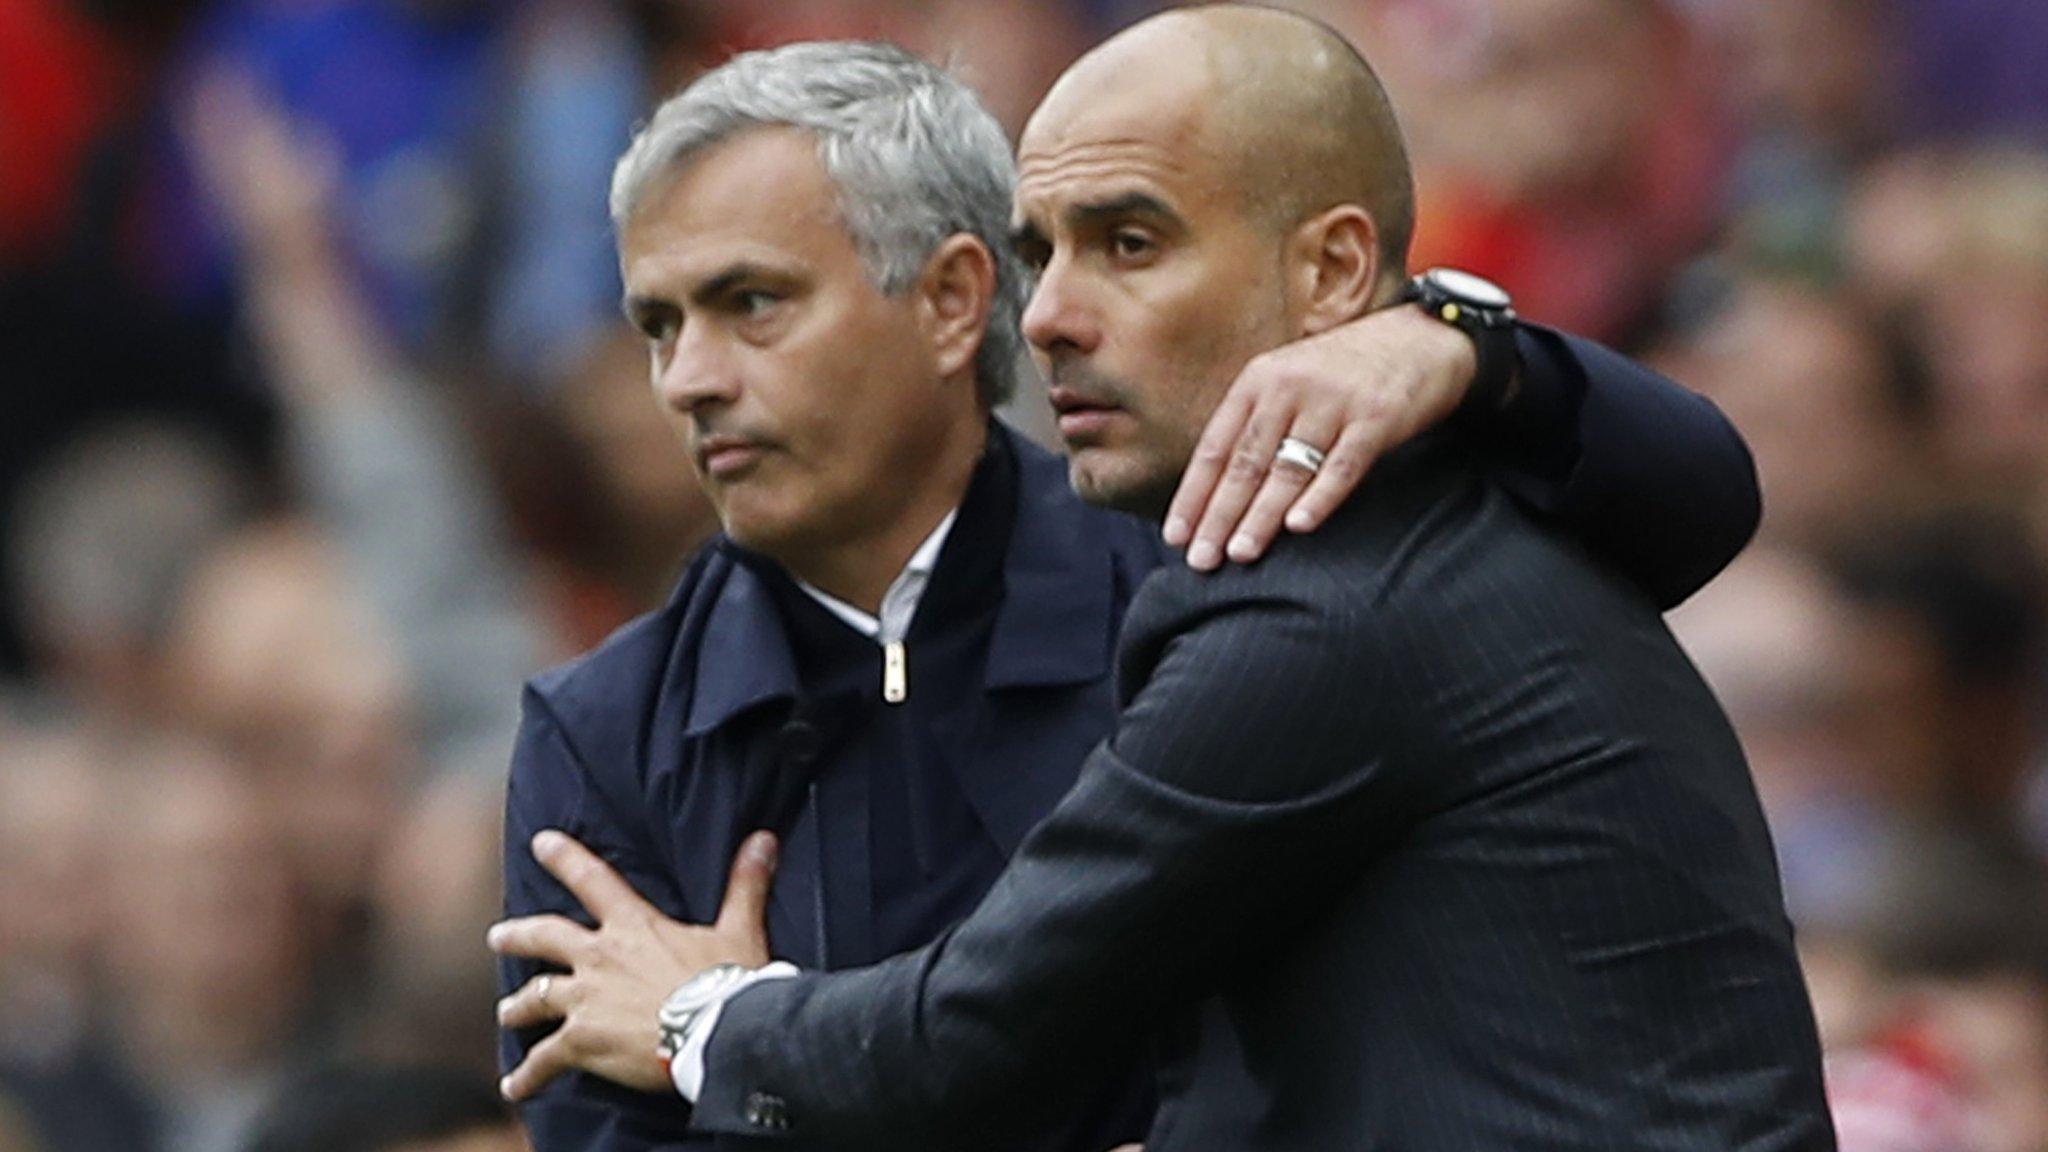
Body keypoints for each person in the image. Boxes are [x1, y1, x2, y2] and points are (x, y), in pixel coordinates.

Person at [489, 23, 1806, 1152]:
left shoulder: (1267, 586)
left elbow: (959, 1037)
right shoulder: (607, 731)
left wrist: (698, 1016)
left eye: (751, 304)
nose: (688, 378)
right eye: (656, 324)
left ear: (950, 303)